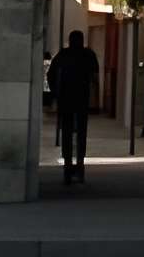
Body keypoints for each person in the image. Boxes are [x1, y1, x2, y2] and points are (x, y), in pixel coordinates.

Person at [46, 30, 99, 182]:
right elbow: (95, 77)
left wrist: (56, 93)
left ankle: (69, 167)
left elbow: (50, 75)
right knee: (80, 134)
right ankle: (78, 166)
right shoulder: (88, 55)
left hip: (67, 99)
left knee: (67, 134)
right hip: (80, 99)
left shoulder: (64, 55)